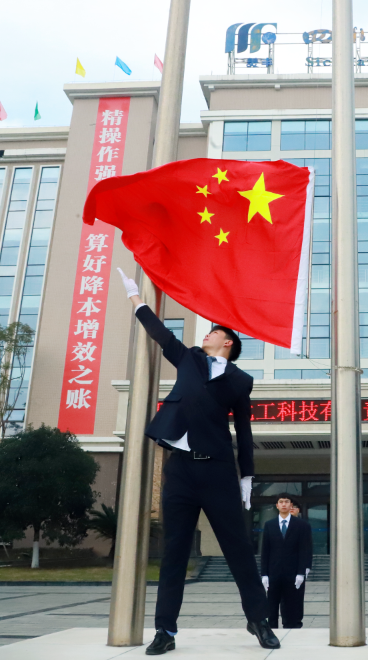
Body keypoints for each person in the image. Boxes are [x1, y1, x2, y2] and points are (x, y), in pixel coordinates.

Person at [117, 269, 279, 655]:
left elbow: (244, 430)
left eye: (212, 333)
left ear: (228, 342)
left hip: (218, 471)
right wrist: (136, 299)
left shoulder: (240, 380)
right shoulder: (188, 358)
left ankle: (259, 620)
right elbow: (161, 335)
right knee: (174, 552)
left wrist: (247, 477)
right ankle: (165, 631)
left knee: (238, 548)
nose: (205, 335)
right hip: (181, 471)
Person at [261, 493, 313, 628]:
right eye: (281, 502)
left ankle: (292, 628)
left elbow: (305, 550)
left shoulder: (302, 525)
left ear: (291, 505)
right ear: (277, 505)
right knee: (271, 605)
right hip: (274, 572)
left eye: (286, 502)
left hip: (293, 572)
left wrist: (301, 572)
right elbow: (265, 550)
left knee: (293, 605)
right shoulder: (269, 525)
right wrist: (264, 574)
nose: (284, 504)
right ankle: (271, 630)